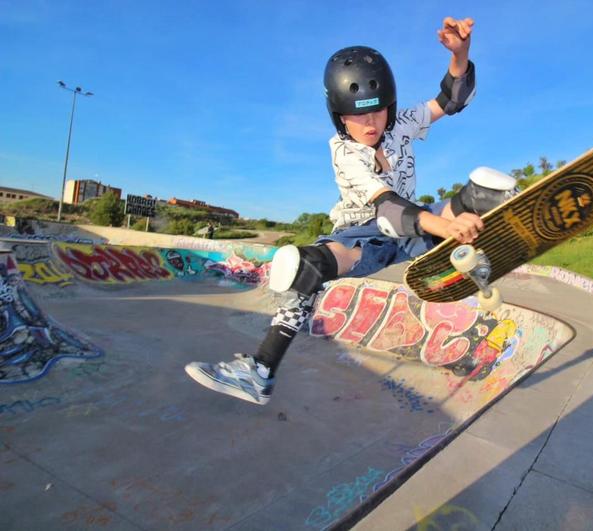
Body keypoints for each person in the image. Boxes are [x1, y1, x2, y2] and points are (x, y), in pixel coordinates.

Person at [185, 17, 518, 405]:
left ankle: (494, 230)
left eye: (378, 111)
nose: (371, 123)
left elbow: (453, 99)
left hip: (413, 227)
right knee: (304, 266)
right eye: (358, 115)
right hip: (362, 235)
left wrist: (460, 53)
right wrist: (443, 224)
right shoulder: (343, 151)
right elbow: (388, 210)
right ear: (340, 116)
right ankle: (259, 372)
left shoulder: (403, 123)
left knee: (484, 190)